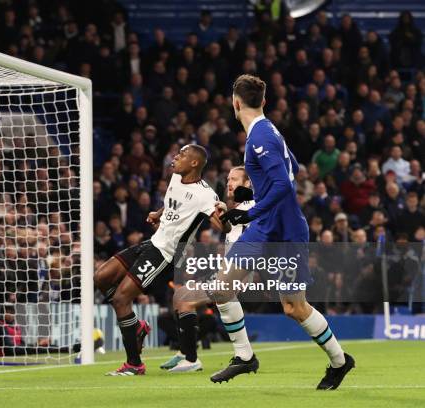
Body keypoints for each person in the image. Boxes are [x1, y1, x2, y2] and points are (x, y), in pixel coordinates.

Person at [176, 75, 355, 389]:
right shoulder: (268, 131)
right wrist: (255, 195)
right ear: (264, 101)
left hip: (283, 231)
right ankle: (245, 357)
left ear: (235, 102)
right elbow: (293, 168)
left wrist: (253, 208)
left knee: (294, 307)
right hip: (264, 229)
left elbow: (285, 183)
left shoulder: (261, 136)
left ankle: (340, 361)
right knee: (222, 288)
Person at [94, 144, 223, 376]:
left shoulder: (206, 194)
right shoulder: (175, 177)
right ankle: (137, 328)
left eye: (182, 155)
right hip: (153, 242)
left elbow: (222, 224)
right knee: (102, 277)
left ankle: (134, 364)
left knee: (122, 299)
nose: (176, 157)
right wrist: (158, 213)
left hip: (166, 254)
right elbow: (174, 203)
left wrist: (227, 212)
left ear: (194, 163)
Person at [160, 166, 257, 375]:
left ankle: (191, 358)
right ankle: (184, 351)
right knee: (180, 297)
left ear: (248, 183)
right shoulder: (240, 208)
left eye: (235, 179)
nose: (230, 182)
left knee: (185, 298)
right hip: (230, 269)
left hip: (238, 272)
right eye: (228, 178)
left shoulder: (252, 208)